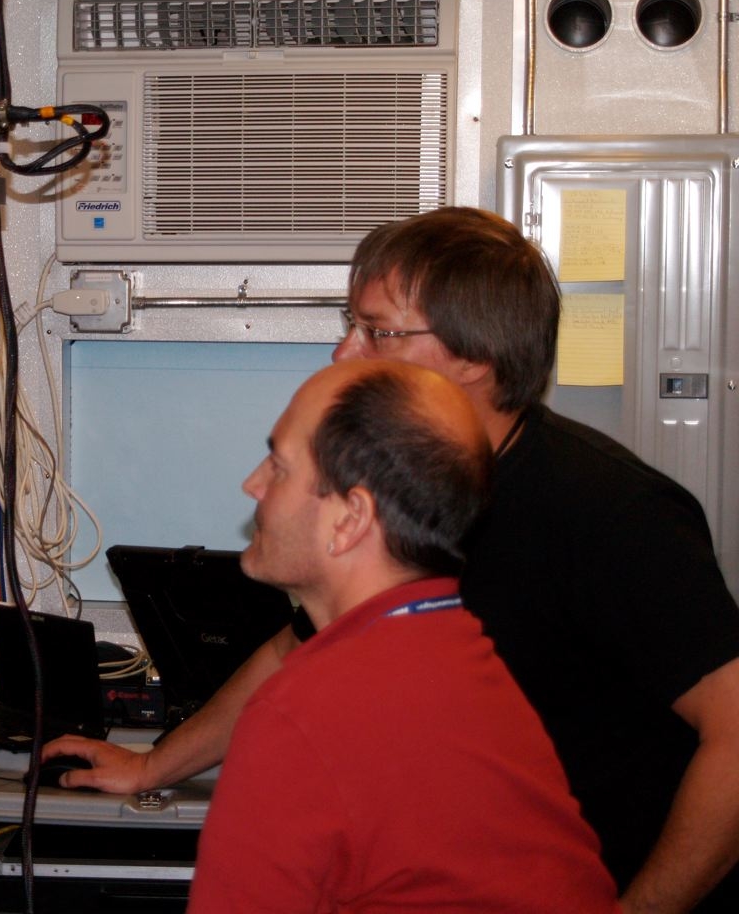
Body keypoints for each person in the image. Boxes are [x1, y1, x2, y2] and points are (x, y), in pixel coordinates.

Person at [45, 207, 739, 914]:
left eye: (377, 331)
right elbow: (299, 648)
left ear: (474, 357)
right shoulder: (409, 494)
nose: (344, 355)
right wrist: (154, 766)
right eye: (349, 325)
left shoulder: (613, 512)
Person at [184, 358, 618, 913]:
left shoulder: (300, 715)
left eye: (279, 466)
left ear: (349, 520)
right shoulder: (466, 657)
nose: (253, 484)